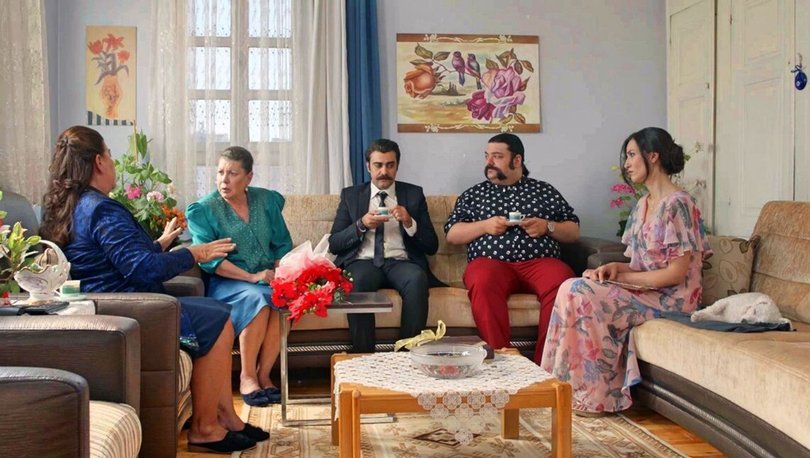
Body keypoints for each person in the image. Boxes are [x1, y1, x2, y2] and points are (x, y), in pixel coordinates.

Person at [39, 126, 267, 453]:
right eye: (110, 156)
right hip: (128, 308)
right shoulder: (101, 208)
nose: (113, 163)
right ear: (99, 162)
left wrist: (161, 243)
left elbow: (115, 259)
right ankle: (205, 429)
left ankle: (228, 419)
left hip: (106, 303)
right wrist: (195, 253)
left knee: (216, 312)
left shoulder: (71, 205)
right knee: (219, 319)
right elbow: (141, 269)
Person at [540, 127, 712, 416]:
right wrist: (613, 269)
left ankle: (596, 397)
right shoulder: (643, 204)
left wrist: (624, 280)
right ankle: (562, 388)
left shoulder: (679, 204)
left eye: (632, 155)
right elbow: (638, 264)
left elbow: (675, 274)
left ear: (653, 156)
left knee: (580, 290)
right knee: (570, 285)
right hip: (645, 290)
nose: (627, 164)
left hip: (672, 298)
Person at [445, 133, 580, 363]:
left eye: (497, 156)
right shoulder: (475, 194)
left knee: (563, 280)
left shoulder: (543, 191)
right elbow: (452, 234)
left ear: (517, 160)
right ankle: (500, 360)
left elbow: (573, 231)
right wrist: (485, 226)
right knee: (482, 279)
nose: (489, 162)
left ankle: (545, 364)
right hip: (491, 264)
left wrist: (547, 227)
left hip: (539, 263)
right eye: (487, 156)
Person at [186, 146, 293, 407]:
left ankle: (264, 374)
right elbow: (211, 259)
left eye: (233, 173)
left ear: (248, 177)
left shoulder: (266, 200)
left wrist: (281, 273)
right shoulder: (203, 209)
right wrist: (252, 276)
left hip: (266, 278)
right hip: (228, 281)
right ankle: (247, 376)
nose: (224, 180)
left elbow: (281, 244)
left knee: (284, 300)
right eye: (220, 172)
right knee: (259, 299)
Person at [329, 139, 440, 353]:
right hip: (364, 262)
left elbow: (431, 245)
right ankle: (363, 355)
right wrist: (361, 225)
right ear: (368, 166)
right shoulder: (351, 195)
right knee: (356, 281)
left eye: (390, 165)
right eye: (378, 165)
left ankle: (407, 355)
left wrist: (409, 222)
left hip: (400, 262)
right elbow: (334, 243)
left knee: (417, 278)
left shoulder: (413, 194)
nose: (384, 172)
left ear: (397, 166)